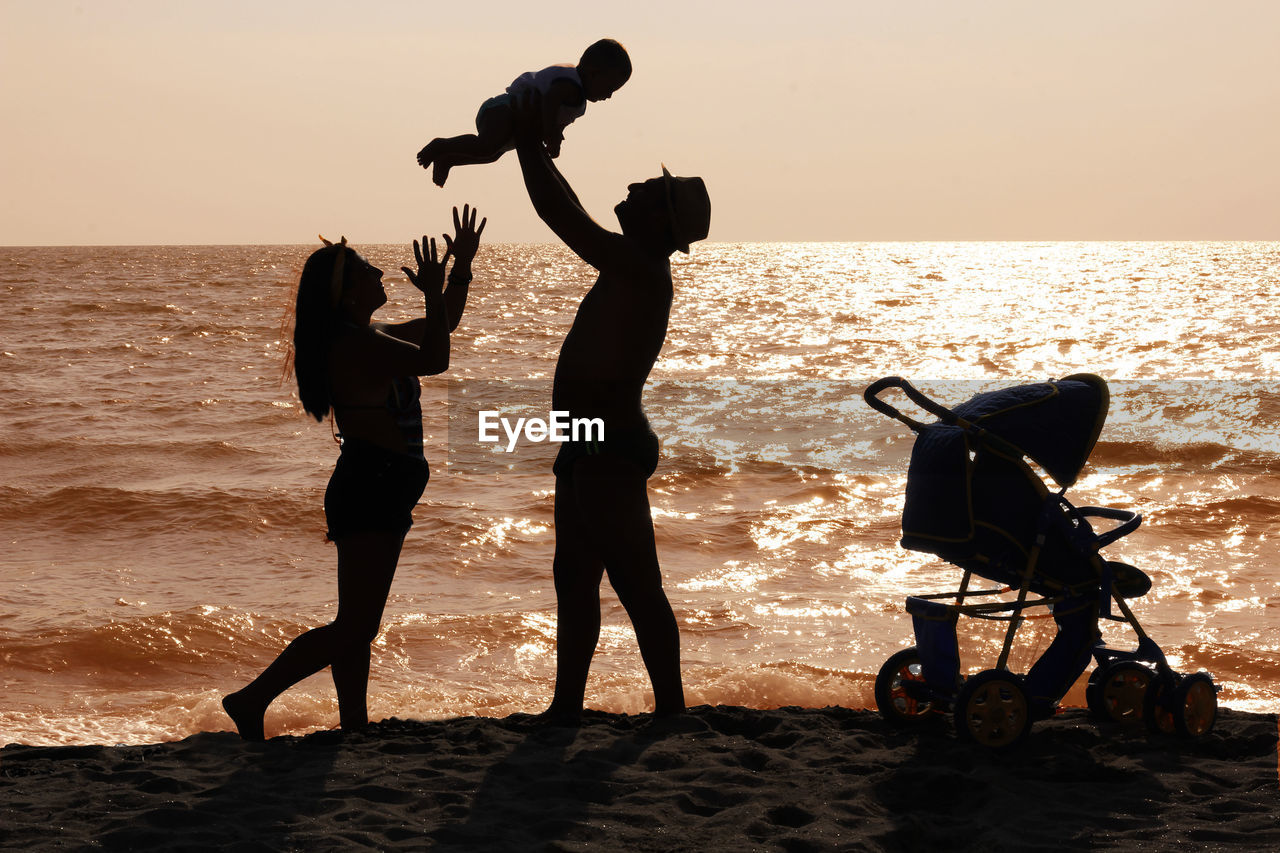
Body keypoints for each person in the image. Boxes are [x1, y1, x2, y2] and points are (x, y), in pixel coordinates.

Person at [222, 206, 485, 741]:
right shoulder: (352, 342)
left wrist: (459, 270)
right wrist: (433, 290)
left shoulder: (370, 335)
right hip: (372, 485)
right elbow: (436, 360)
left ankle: (354, 725)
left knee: (355, 624)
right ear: (345, 294)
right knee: (357, 625)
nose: (383, 275)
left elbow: (444, 326)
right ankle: (251, 699)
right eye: (368, 270)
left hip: (378, 485)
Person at [510, 90, 710, 721]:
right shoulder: (631, 261)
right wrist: (536, 147)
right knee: (575, 577)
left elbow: (562, 218)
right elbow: (570, 210)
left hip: (609, 442)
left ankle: (671, 710)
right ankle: (568, 704)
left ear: (661, 222)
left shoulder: (640, 265)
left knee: (634, 582)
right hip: (590, 440)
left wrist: (523, 139)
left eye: (649, 190)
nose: (633, 186)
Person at [416, 38, 631, 187]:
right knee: (487, 146)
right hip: (504, 110)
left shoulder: (578, 99)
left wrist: (555, 138)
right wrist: (550, 134)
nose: (609, 96)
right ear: (593, 74)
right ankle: (441, 146)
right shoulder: (570, 85)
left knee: (491, 155)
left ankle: (449, 159)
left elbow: (558, 121)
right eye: (609, 88)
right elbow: (549, 101)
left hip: (512, 122)